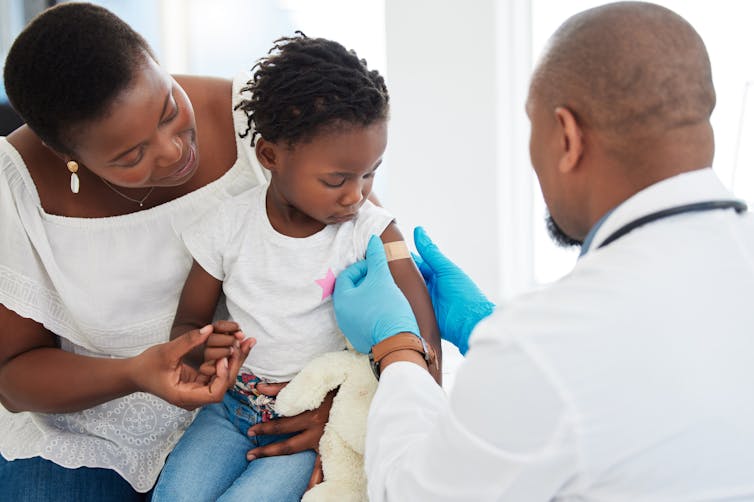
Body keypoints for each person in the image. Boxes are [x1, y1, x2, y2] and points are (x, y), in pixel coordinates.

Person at [332, 2, 754, 500]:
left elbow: (412, 492)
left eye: (533, 128)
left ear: (567, 137)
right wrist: (486, 328)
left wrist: (397, 348)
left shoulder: (546, 345)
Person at [0, 4, 337, 500]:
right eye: (130, 156)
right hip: (94, 432)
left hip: (270, 404)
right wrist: (135, 372)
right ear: (68, 157)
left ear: (155, 59)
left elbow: (378, 255)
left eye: (169, 110)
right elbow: (14, 377)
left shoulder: (257, 117)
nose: (173, 151)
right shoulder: (16, 185)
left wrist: (345, 399)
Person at [150, 33, 441, 501]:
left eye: (371, 172)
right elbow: (187, 323)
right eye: (336, 179)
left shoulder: (372, 231)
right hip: (230, 409)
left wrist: (373, 406)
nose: (357, 194)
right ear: (270, 156)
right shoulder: (228, 225)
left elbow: (419, 336)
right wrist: (204, 351)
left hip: (312, 417)